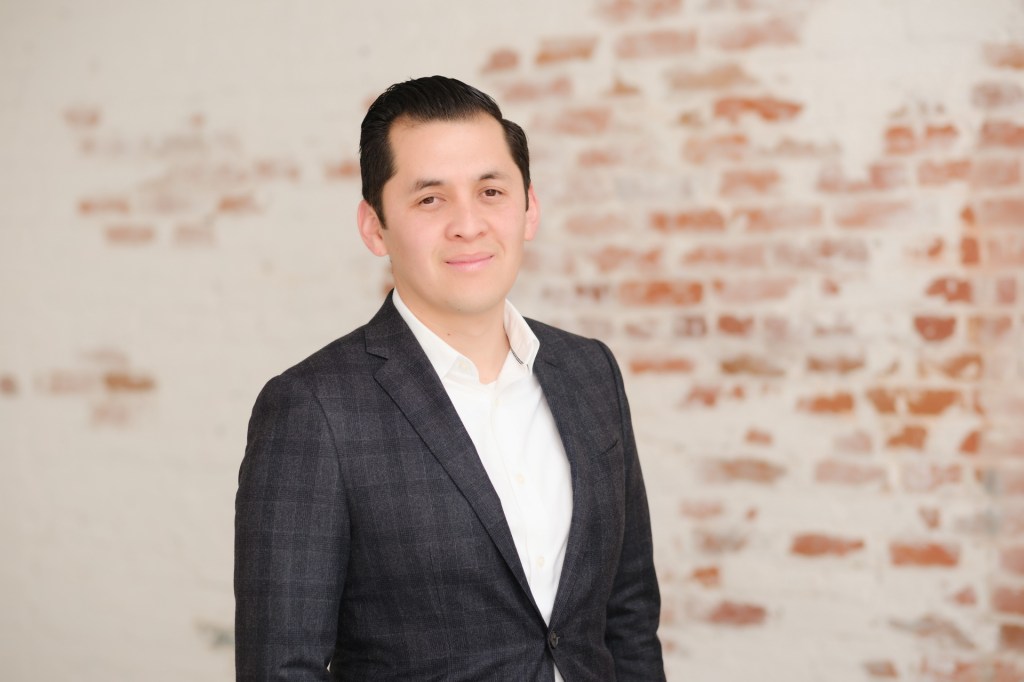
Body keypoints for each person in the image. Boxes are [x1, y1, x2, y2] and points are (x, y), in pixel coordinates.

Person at [234, 75, 664, 681]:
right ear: (374, 227)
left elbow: (629, 618)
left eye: (491, 190)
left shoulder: (590, 372)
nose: (469, 224)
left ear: (529, 208)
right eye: (430, 199)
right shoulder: (313, 408)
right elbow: (283, 669)